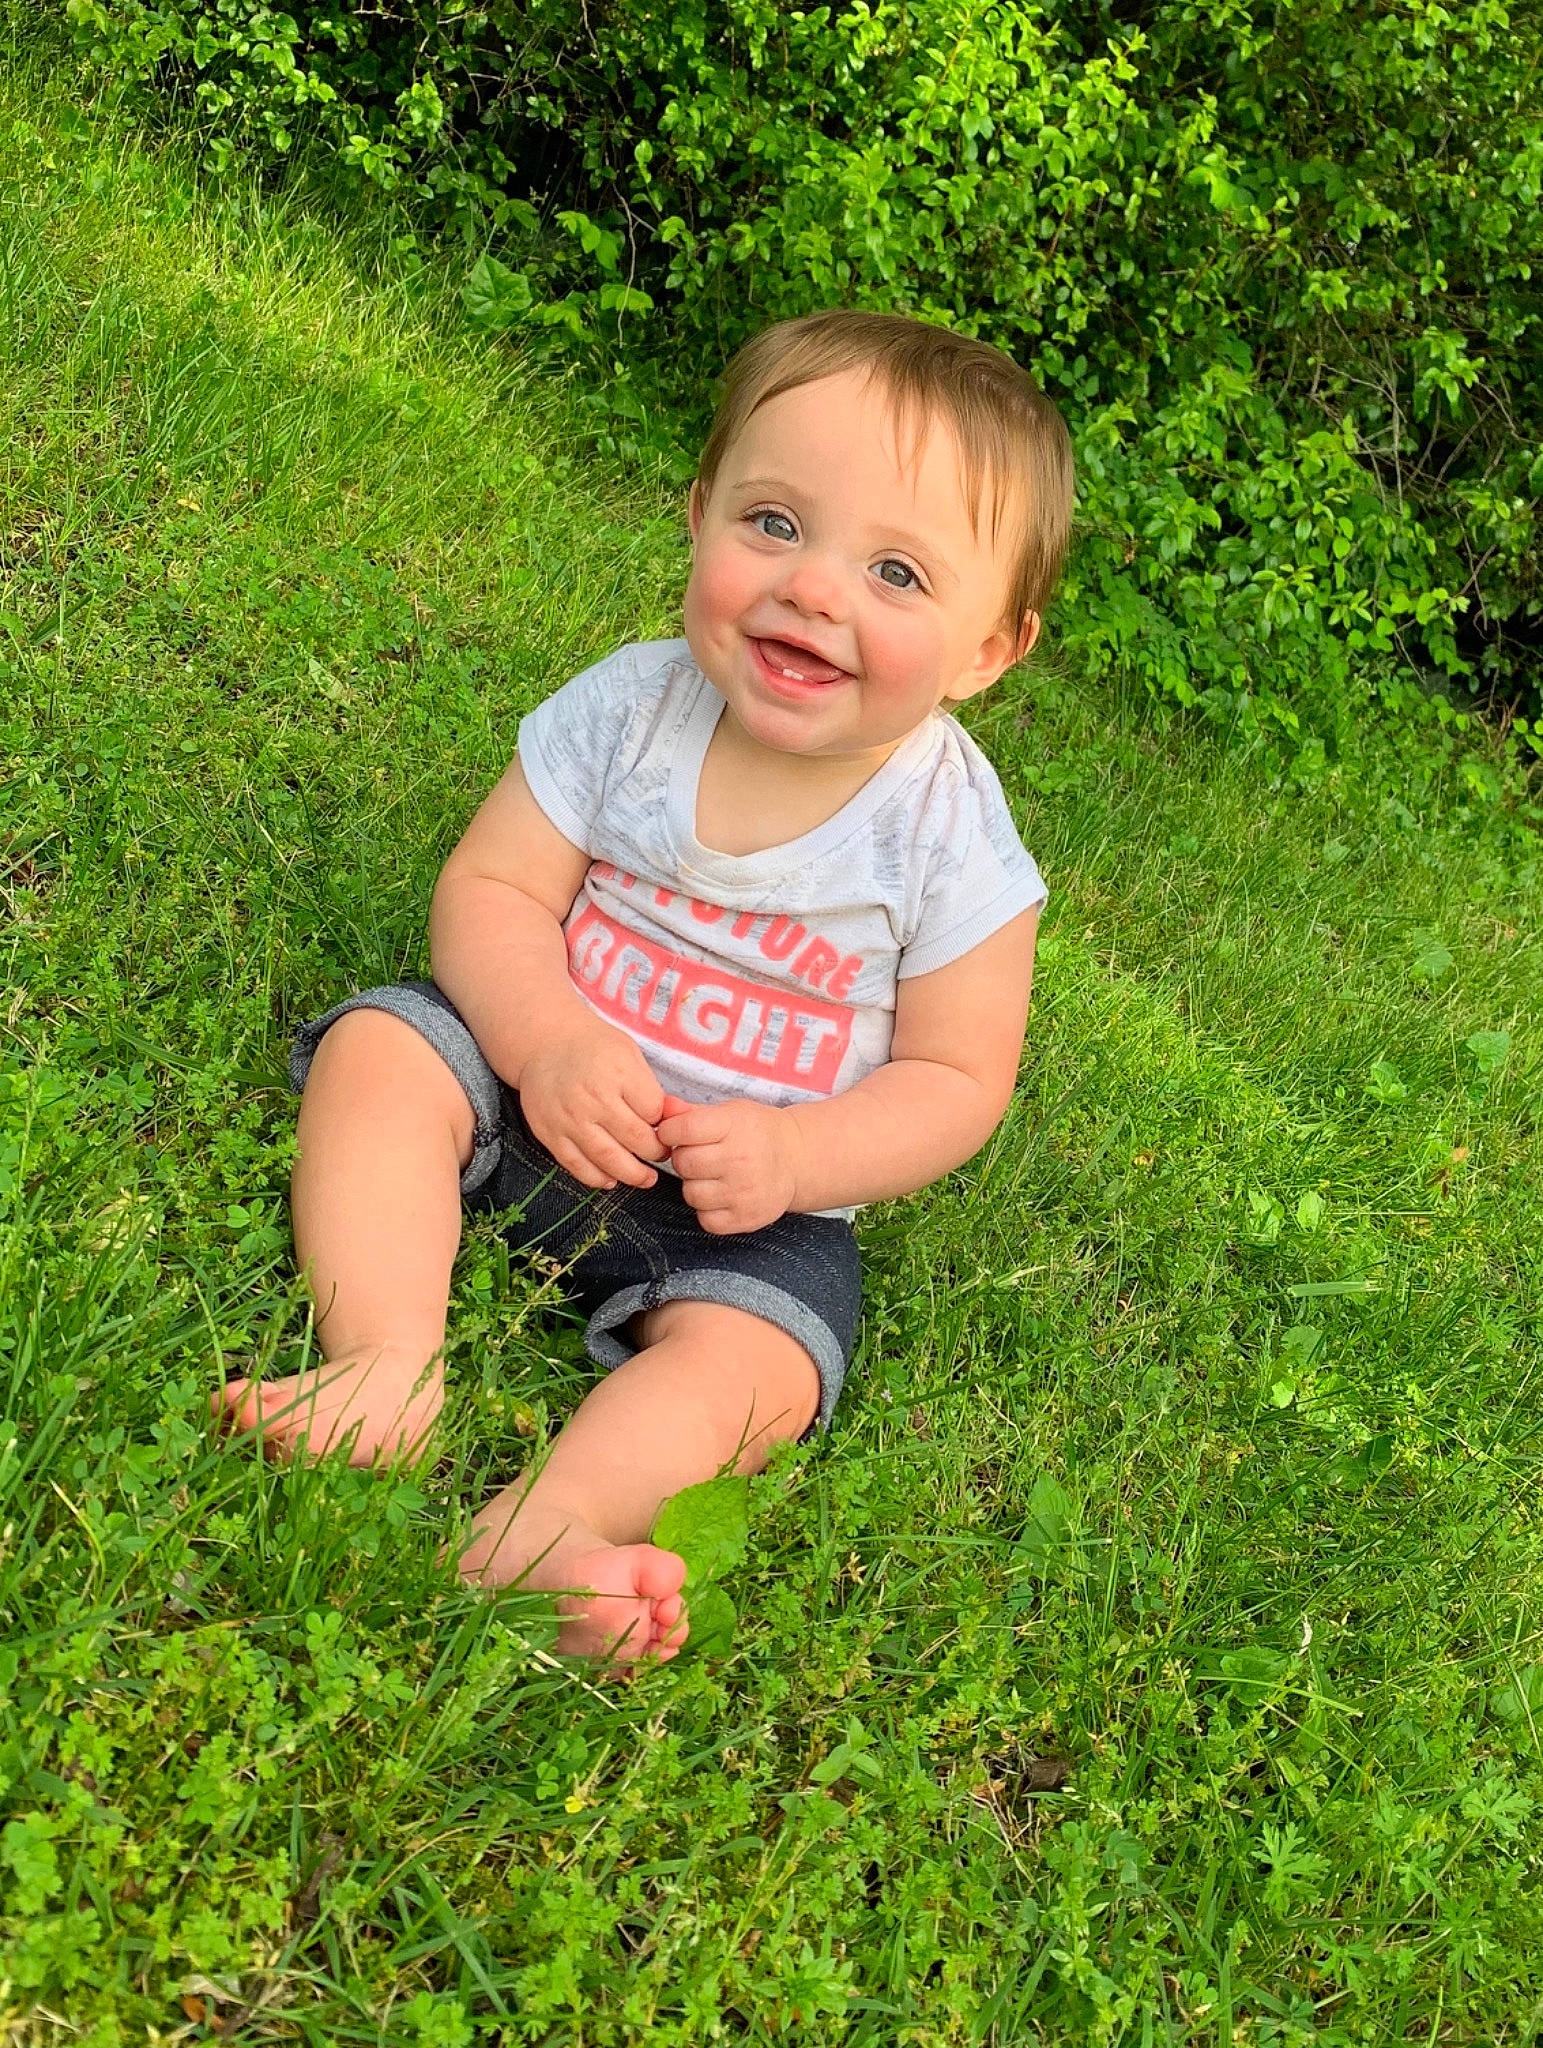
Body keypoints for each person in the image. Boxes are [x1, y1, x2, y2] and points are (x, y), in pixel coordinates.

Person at [212, 309, 1075, 1663]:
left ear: (989, 650)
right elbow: (491, 893)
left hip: (749, 1213)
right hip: (532, 1097)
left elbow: (960, 1081)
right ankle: (384, 1364)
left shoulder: (952, 839)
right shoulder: (631, 709)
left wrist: (800, 1153)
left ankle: (551, 1529)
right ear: (698, 513)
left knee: (762, 1367)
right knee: (384, 1050)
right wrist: (545, 1036)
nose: (816, 589)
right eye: (775, 523)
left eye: (899, 573)